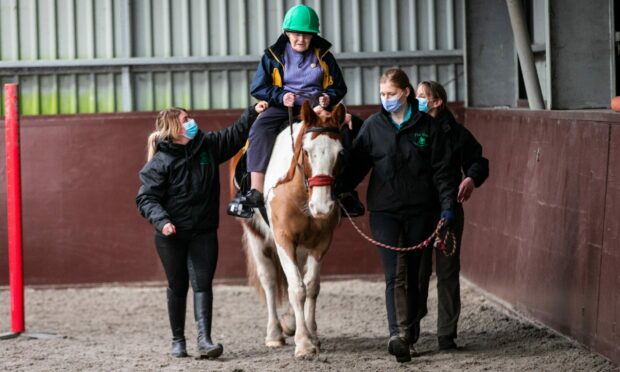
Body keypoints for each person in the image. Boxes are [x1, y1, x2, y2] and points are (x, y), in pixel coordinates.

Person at [340, 68, 457, 363]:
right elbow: (356, 164)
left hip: (421, 210)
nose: (386, 99)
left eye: (391, 94)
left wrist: (447, 205)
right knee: (395, 274)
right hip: (384, 211)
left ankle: (412, 333)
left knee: (418, 275)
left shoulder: (426, 128)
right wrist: (339, 190)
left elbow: (442, 170)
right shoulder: (373, 127)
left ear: (405, 93)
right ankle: (398, 334)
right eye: (382, 94)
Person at [135, 102, 266, 358]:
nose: (191, 121)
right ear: (174, 128)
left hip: (204, 231)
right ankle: (177, 340)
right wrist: (162, 222)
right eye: (186, 119)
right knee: (177, 285)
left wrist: (253, 111)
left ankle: (205, 341)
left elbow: (235, 134)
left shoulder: (208, 146)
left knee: (203, 285)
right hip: (170, 234)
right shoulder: (159, 163)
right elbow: (145, 199)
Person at [228, 4, 347, 214]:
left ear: (314, 36)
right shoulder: (272, 55)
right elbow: (258, 87)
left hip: (316, 107)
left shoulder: (325, 55)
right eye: (296, 34)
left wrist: (328, 96)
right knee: (259, 128)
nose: (301, 39)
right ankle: (255, 189)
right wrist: (281, 96)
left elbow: (340, 87)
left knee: (344, 132)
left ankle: (346, 190)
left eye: (307, 35)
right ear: (287, 32)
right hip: (283, 107)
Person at [414, 80, 489, 351]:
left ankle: (446, 333)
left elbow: (478, 160)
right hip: (418, 210)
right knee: (418, 271)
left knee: (447, 271)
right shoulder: (410, 129)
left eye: (424, 96)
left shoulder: (456, 134)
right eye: (417, 94)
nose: (419, 99)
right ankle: (414, 322)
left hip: (449, 209)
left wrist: (470, 178)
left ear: (437, 102)